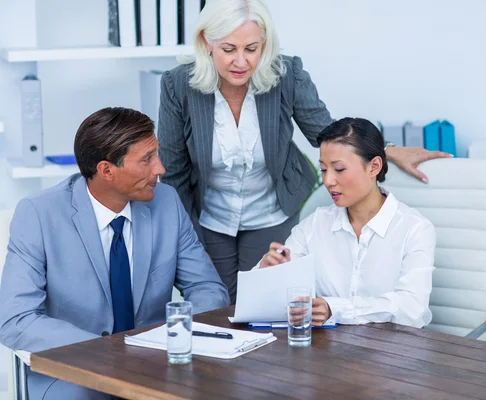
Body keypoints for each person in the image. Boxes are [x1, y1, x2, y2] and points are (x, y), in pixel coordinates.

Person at [157, 0, 450, 303]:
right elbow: (173, 170)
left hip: (272, 209)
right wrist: (187, 236)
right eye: (229, 49)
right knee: (216, 305)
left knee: (261, 303)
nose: (241, 62)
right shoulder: (177, 85)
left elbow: (326, 132)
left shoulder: (286, 75)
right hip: (209, 214)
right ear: (207, 42)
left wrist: (386, 150)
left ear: (265, 43)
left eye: (252, 49)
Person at [0, 107, 229, 400]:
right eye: (147, 159)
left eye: (155, 155)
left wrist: (173, 340)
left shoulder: (166, 203)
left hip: (157, 368)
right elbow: (16, 320)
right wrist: (107, 353)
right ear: (106, 170)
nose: (160, 169)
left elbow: (208, 288)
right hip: (76, 370)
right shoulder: (39, 214)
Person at [258, 118, 436, 328]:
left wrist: (336, 309)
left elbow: (411, 309)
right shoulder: (315, 224)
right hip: (326, 352)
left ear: (374, 167)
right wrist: (269, 271)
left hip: (393, 353)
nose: (328, 180)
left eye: (339, 169)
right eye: (324, 170)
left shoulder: (414, 229)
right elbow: (268, 297)